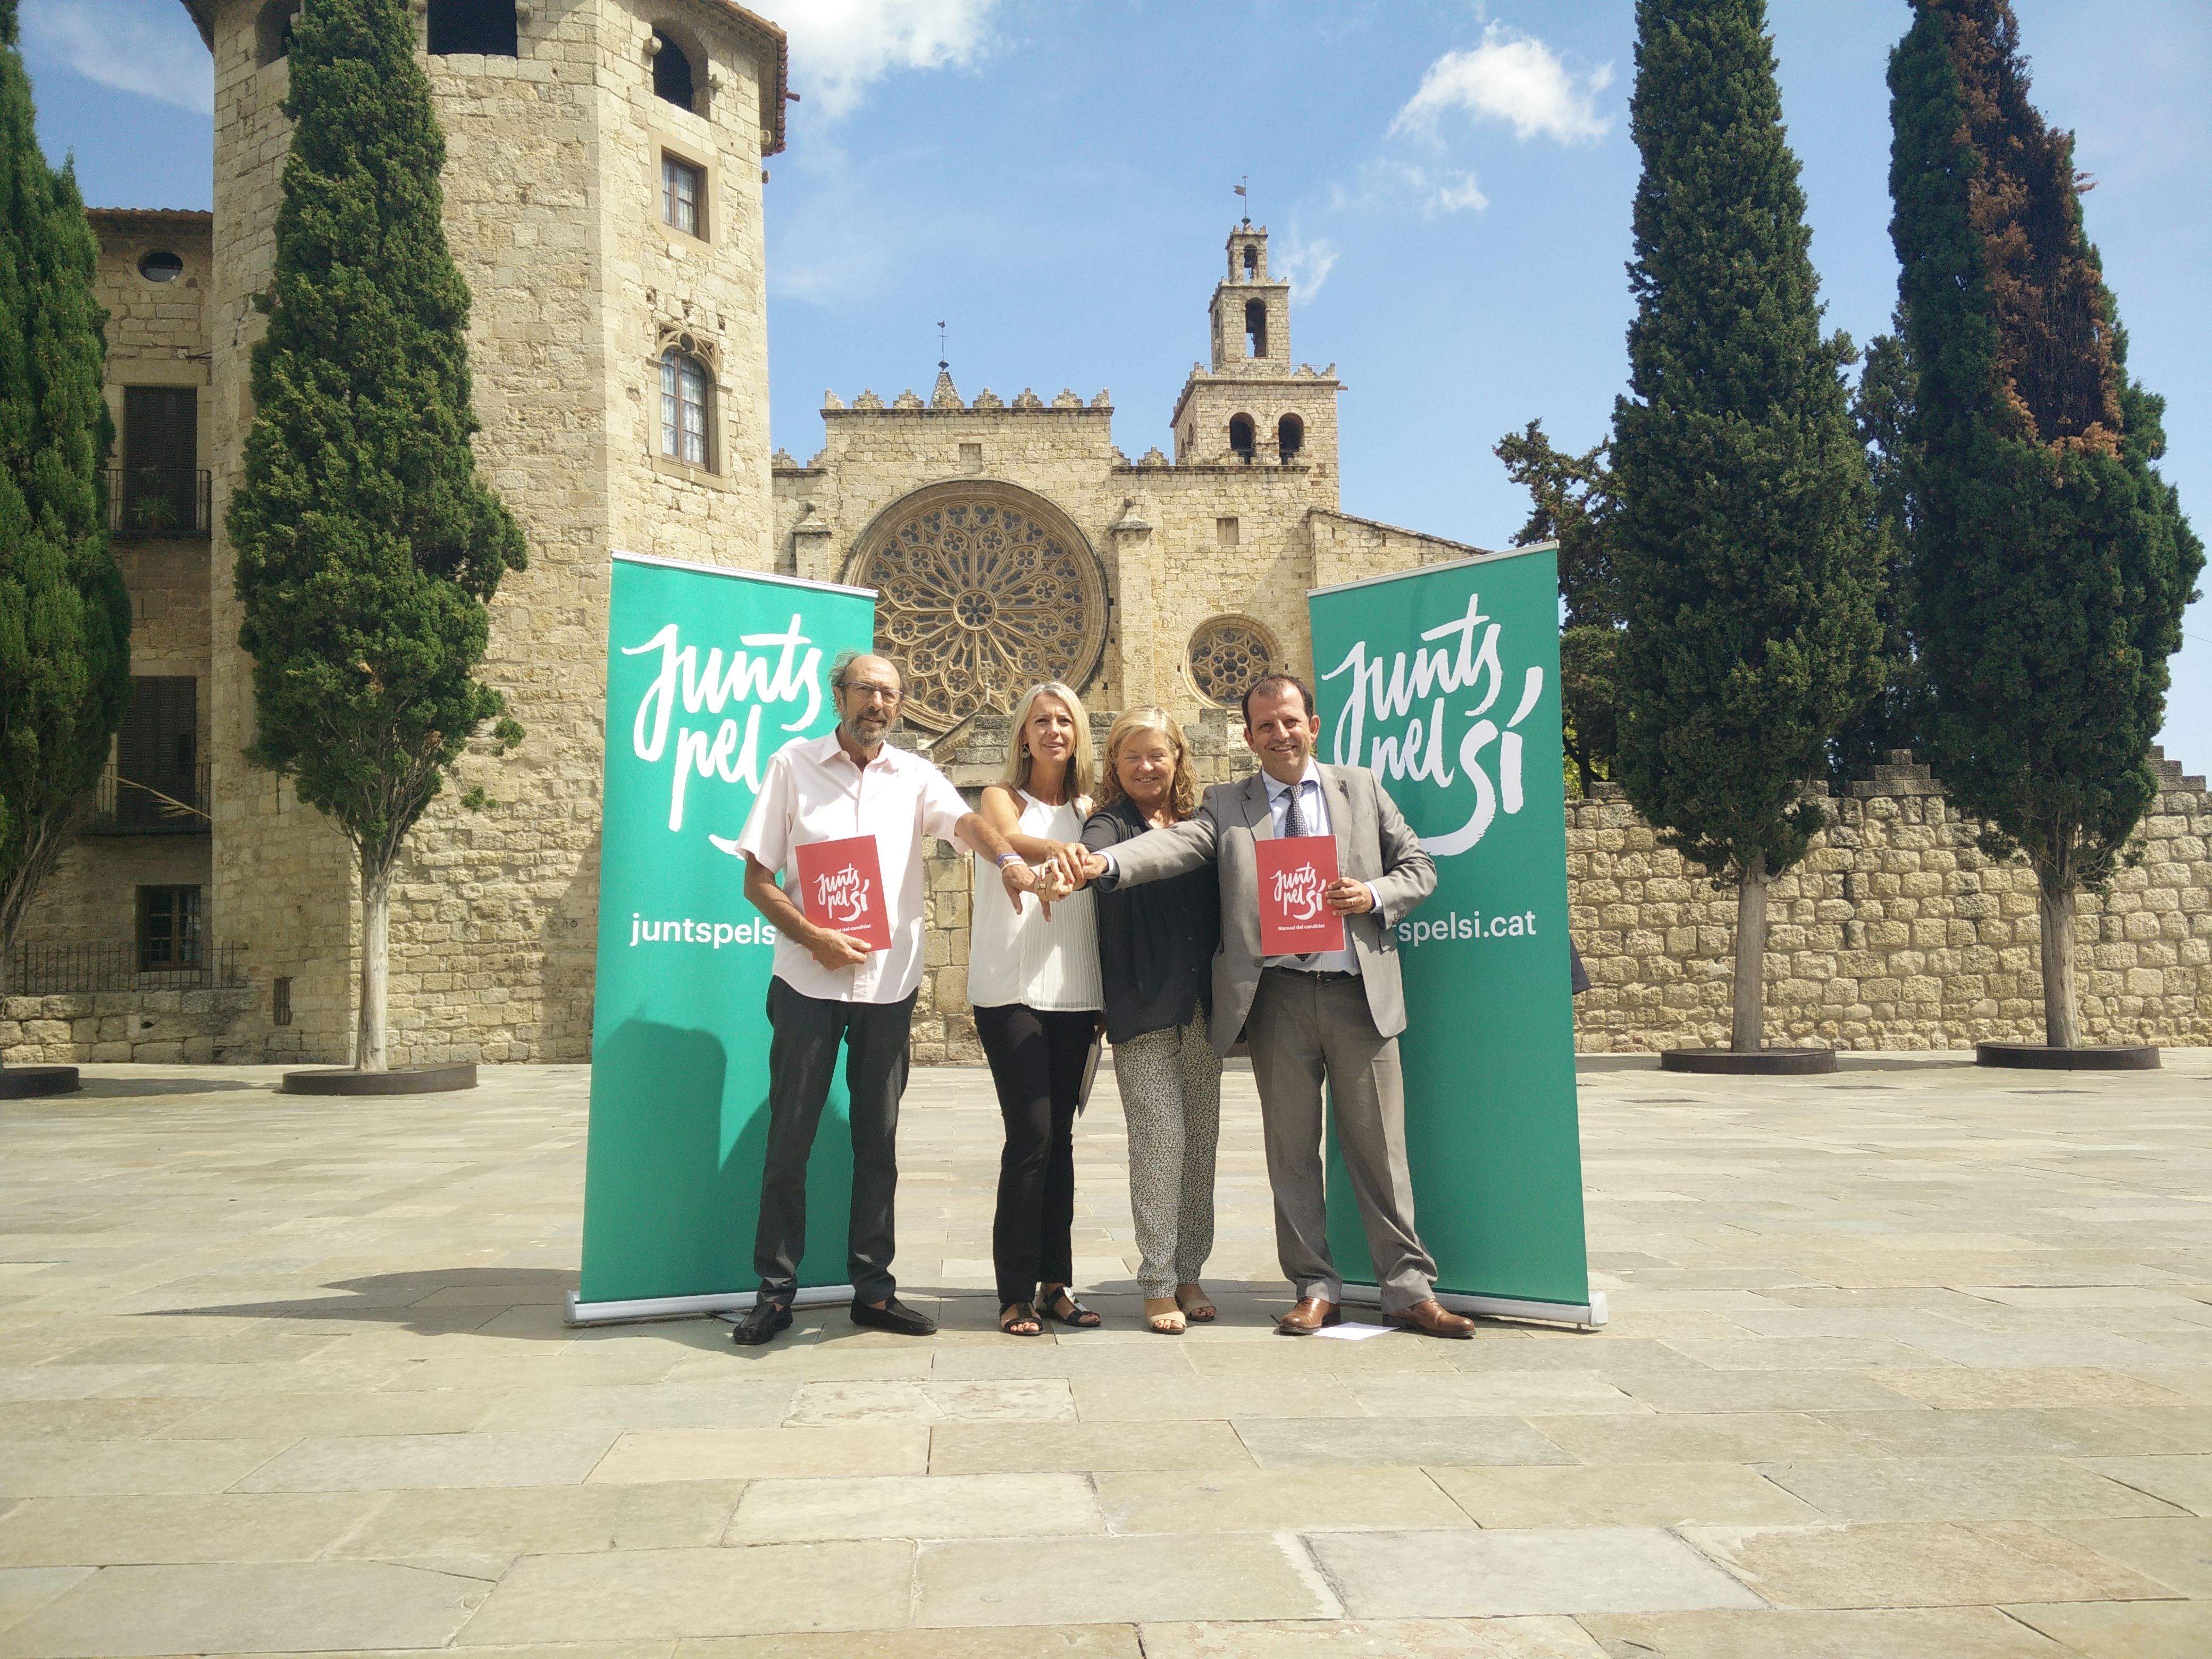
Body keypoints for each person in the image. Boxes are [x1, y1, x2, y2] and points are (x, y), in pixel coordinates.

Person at [1083, 673, 1476, 1338]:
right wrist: (1105, 864)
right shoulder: (1227, 804)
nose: (1279, 733)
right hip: (1278, 998)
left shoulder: (1360, 787)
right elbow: (1175, 844)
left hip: (1357, 993)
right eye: (1264, 725)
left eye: (1289, 721)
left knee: (1381, 1151)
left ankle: (1407, 1289)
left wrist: (1373, 896)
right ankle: (1313, 1286)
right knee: (1291, 1154)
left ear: (1312, 726)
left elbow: (1419, 867)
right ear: (1248, 737)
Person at [729, 651, 1043, 1347]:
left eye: (891, 694)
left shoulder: (916, 775)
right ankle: (775, 1294)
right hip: (809, 983)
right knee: (790, 1144)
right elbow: (758, 880)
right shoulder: (793, 766)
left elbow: (966, 825)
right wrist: (813, 935)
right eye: (867, 690)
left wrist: (1011, 862)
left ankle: (873, 1291)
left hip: (887, 988)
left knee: (879, 1145)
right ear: (839, 695)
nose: (879, 703)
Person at [970, 683, 1106, 1338]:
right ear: (1021, 736)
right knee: (1030, 1137)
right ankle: (1012, 1292)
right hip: (1011, 990)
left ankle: (1056, 1284)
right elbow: (1004, 837)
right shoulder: (1004, 797)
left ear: (1077, 733)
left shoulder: (1091, 810)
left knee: (1063, 1143)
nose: (1053, 729)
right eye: (1040, 721)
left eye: (1064, 720)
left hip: (1077, 990)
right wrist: (1059, 857)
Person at [1082, 707, 1224, 1336]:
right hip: (1140, 1006)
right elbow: (1095, 856)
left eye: (1156, 754)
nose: (1146, 766)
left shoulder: (1204, 822)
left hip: (1199, 1004)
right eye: (1132, 756)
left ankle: (1190, 1268)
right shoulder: (1107, 823)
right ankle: (1157, 1280)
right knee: (1161, 1142)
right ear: (1114, 765)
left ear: (1177, 758)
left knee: (1201, 1144)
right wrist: (1085, 863)